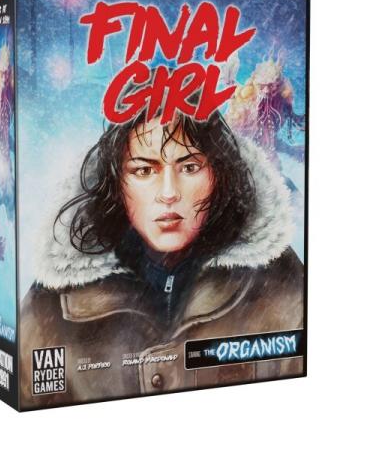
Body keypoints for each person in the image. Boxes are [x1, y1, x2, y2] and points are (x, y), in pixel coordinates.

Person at [19, 106, 304, 408]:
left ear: (218, 175)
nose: (168, 193)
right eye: (144, 170)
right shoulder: (51, 304)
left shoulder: (279, 282)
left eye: (189, 167)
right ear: (116, 182)